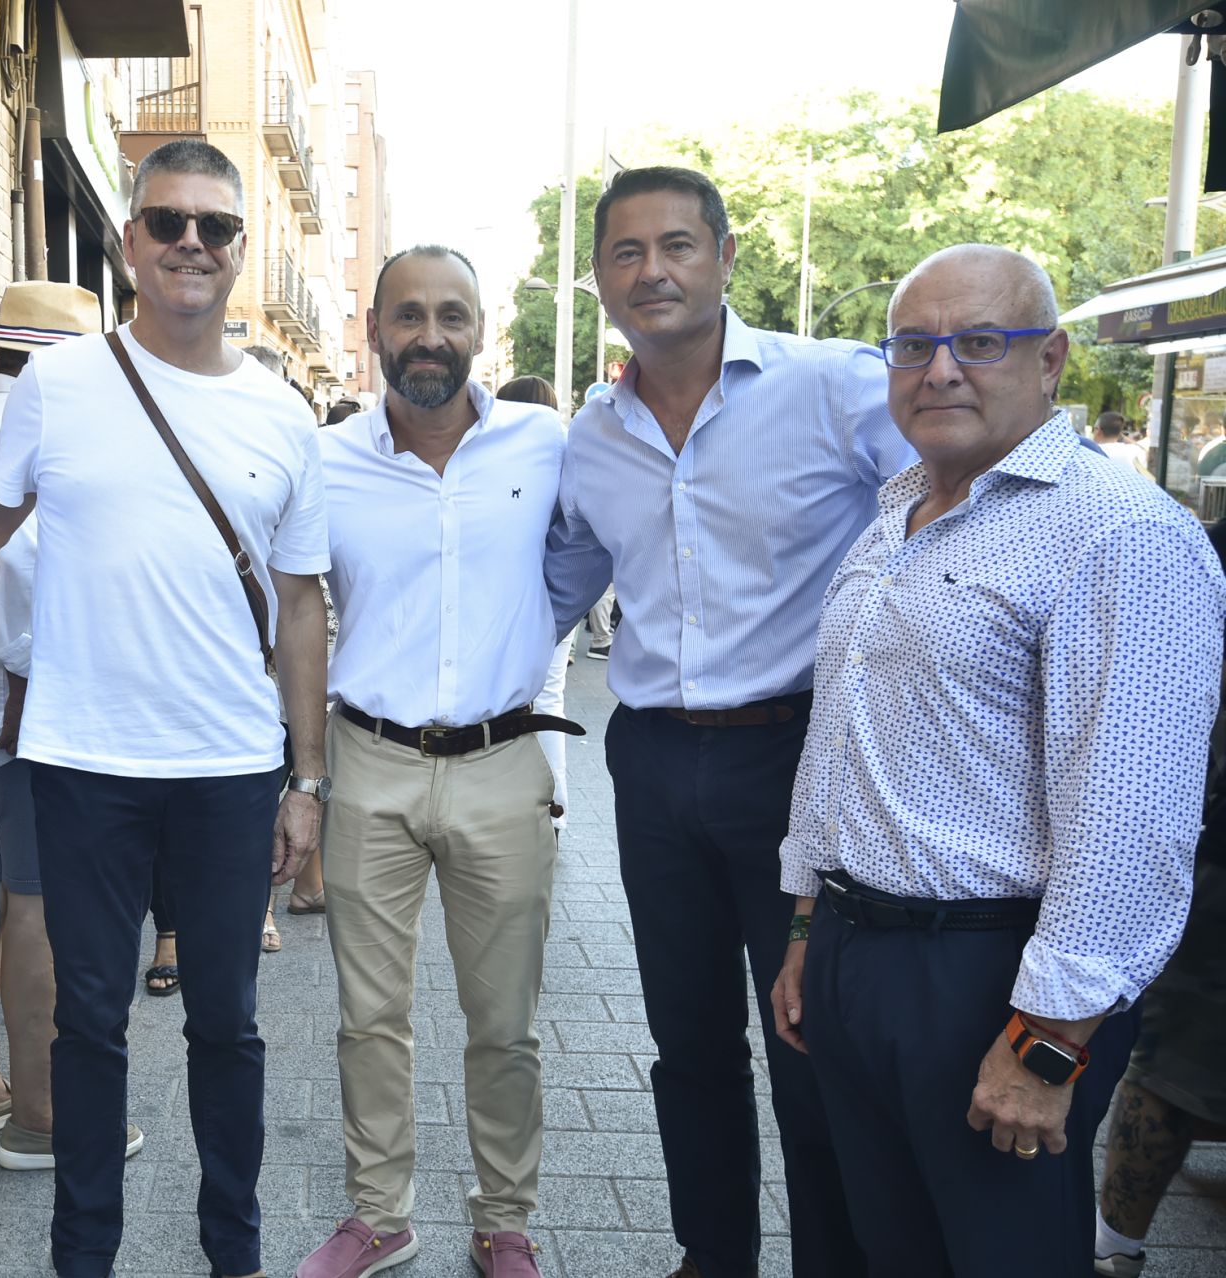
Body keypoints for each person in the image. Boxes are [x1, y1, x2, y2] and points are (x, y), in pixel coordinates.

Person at [771, 244, 1225, 1276]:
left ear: (1053, 359)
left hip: (996, 977)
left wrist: (1047, 1046)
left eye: (980, 342)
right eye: (915, 344)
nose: (941, 370)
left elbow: (1133, 827)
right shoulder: (898, 517)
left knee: (997, 1256)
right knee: (888, 1252)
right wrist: (807, 927)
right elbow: (837, 736)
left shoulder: (1119, 535)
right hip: (858, 952)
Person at [0, 138, 330, 1278]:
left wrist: (306, 780)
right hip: (79, 764)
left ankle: (236, 1252)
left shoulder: (281, 414)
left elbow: (306, 606)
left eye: (215, 227)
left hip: (229, 769)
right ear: (129, 242)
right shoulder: (57, 387)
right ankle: (86, 1257)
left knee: (227, 1024)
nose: (190, 243)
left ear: (237, 249)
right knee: (90, 1025)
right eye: (167, 221)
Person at [544, 165, 913, 1278]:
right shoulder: (591, 437)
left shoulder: (836, 386)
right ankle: (714, 1257)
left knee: (811, 1046)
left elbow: (949, 507)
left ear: (725, 256)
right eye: (624, 252)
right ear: (600, 278)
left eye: (676, 245)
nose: (651, 269)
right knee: (689, 1044)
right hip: (652, 767)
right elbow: (558, 580)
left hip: (801, 759)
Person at [298, 246, 576, 1278]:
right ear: (373, 332)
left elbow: (597, 549)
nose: (430, 336)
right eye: (407, 316)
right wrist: (307, 775)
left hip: (505, 763)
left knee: (504, 1023)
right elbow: (294, 613)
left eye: (451, 315)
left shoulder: (545, 444)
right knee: (369, 1018)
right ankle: (381, 1215)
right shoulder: (326, 460)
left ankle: (505, 1219)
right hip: (369, 761)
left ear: (481, 331)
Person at [0, 280, 144, 1171]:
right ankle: (43, 1114)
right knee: (38, 910)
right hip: (26, 712)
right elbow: (27, 591)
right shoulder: (43, 431)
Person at [1091, 512, 1226, 1278]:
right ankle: (1114, 1247)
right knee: (1174, 1064)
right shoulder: (1185, 545)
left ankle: (1115, 1246)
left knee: (1175, 1062)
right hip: (1218, 864)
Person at [493, 372, 579, 826]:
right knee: (549, 699)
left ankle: (514, 807)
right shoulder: (565, 454)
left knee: (509, 700)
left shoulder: (498, 456)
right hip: (559, 596)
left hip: (508, 598)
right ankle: (554, 812)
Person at [1094, 411, 1151, 478]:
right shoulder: (1132, 451)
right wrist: (1122, 436)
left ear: (1098, 430)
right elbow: (1146, 453)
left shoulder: (1092, 452)